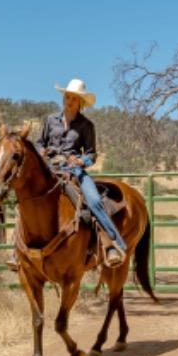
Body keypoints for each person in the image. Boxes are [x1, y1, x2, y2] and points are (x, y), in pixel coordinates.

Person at [39, 78, 128, 267]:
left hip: (74, 170)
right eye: (67, 96)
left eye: (73, 98)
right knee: (27, 197)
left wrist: (80, 160)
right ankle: (17, 250)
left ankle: (112, 244)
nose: (68, 100)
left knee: (94, 201)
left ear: (80, 102)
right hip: (50, 168)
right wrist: (40, 151)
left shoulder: (87, 126)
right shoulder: (50, 120)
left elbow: (91, 154)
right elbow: (40, 142)